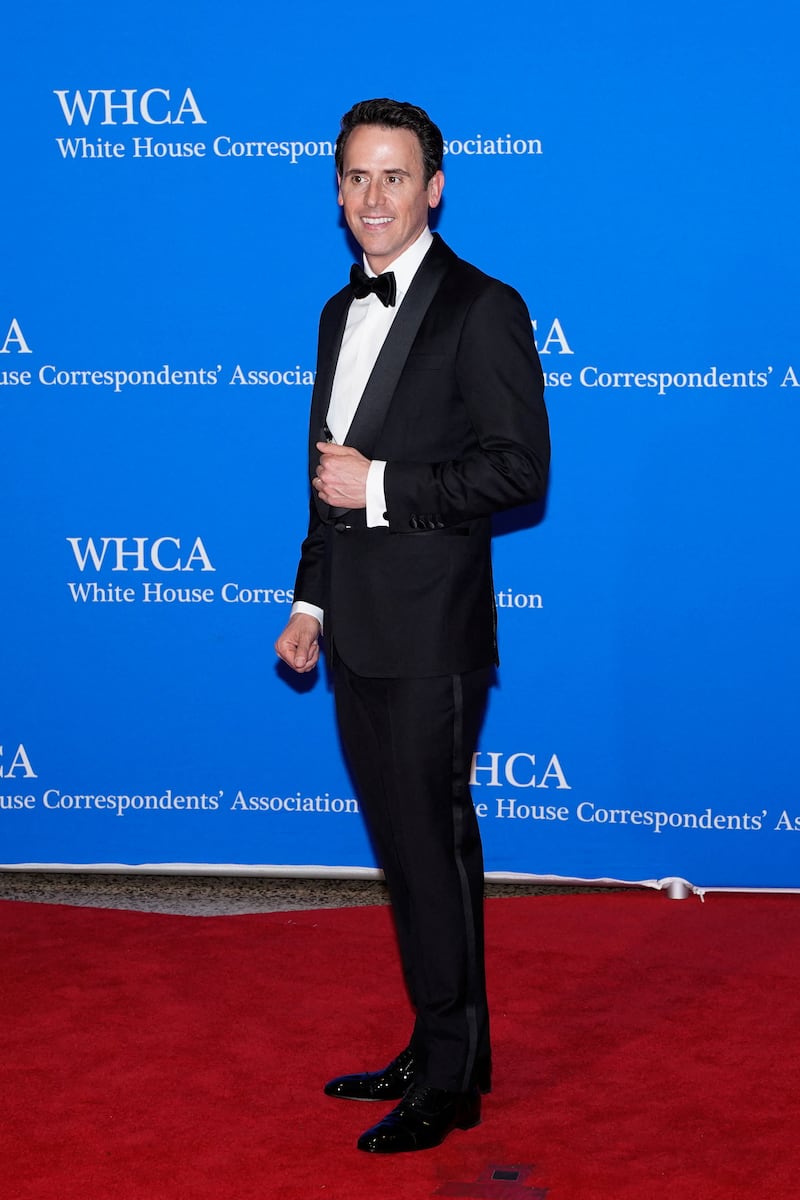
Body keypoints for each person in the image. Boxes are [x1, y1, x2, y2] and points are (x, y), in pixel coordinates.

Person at [275, 97, 550, 1154]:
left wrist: (382, 486)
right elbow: (321, 487)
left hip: (432, 632)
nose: (372, 198)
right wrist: (309, 601)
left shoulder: (483, 306)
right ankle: (439, 1044)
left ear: (433, 187)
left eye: (394, 177)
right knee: (405, 849)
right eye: (355, 177)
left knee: (431, 853)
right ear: (336, 189)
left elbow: (518, 468)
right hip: (353, 630)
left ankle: (452, 1079)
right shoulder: (333, 316)